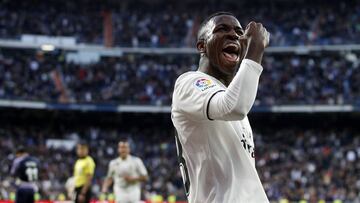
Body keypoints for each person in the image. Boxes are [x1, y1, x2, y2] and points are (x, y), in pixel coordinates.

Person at [171, 12, 270, 203]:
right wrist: (255, 50)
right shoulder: (189, 82)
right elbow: (234, 107)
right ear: (202, 46)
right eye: (222, 29)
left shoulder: (231, 95)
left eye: (239, 32)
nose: (234, 35)